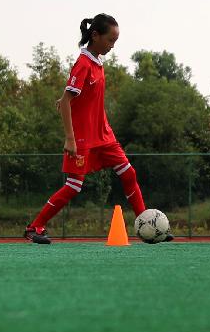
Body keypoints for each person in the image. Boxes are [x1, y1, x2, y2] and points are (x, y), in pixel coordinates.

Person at [25, 14, 164, 244]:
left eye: (115, 42)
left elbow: (72, 96)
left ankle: (146, 224)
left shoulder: (97, 62)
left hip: (104, 135)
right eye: (110, 41)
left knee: (129, 173)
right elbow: (69, 100)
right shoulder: (83, 64)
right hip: (82, 139)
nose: (112, 46)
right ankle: (34, 227)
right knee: (73, 187)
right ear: (95, 35)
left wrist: (64, 99)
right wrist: (70, 138)